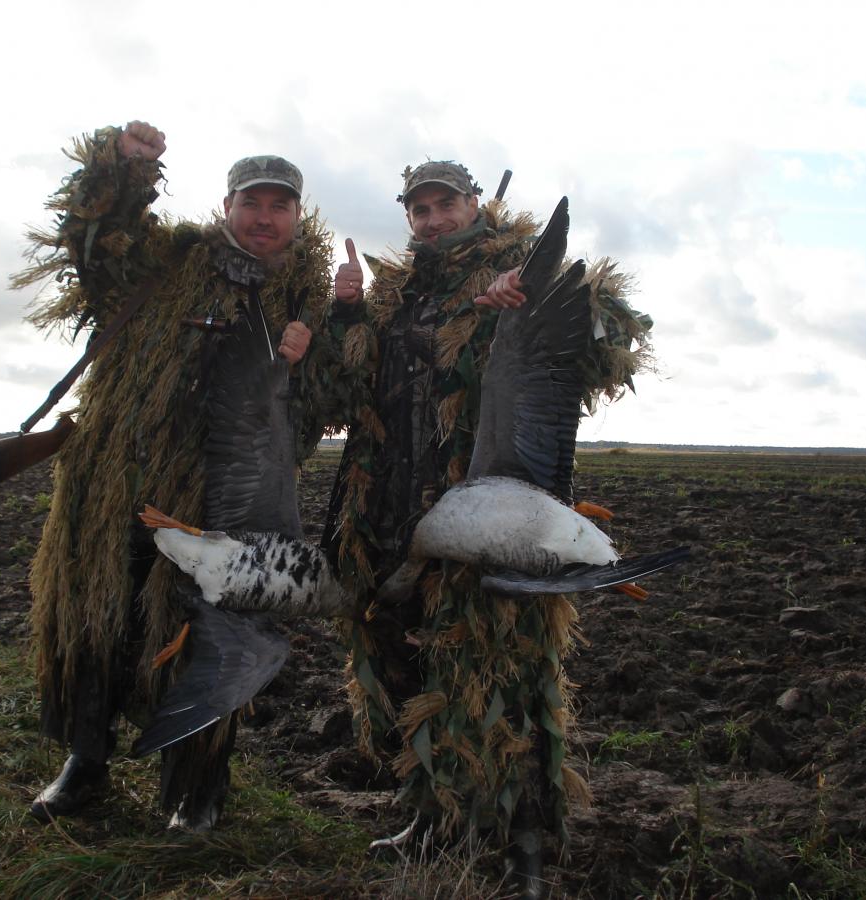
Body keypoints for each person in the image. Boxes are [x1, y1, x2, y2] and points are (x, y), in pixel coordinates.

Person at [16, 120, 360, 830]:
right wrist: (125, 170)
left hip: (223, 502)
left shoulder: (310, 299)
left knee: (211, 635)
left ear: (298, 216)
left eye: (279, 205)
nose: (263, 217)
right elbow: (96, 246)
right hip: (117, 480)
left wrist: (313, 354)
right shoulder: (169, 263)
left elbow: (334, 405)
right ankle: (85, 763)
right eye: (251, 202)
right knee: (97, 618)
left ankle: (196, 790)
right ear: (227, 205)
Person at [324, 160, 654, 888]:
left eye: (446, 203)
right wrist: (344, 314)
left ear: (475, 203)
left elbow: (611, 332)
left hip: (489, 516)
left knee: (506, 680)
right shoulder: (393, 297)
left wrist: (528, 294)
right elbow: (343, 390)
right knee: (410, 675)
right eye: (419, 209)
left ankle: (523, 846)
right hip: (391, 521)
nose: (433, 219)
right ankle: (432, 820)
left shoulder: (519, 268)